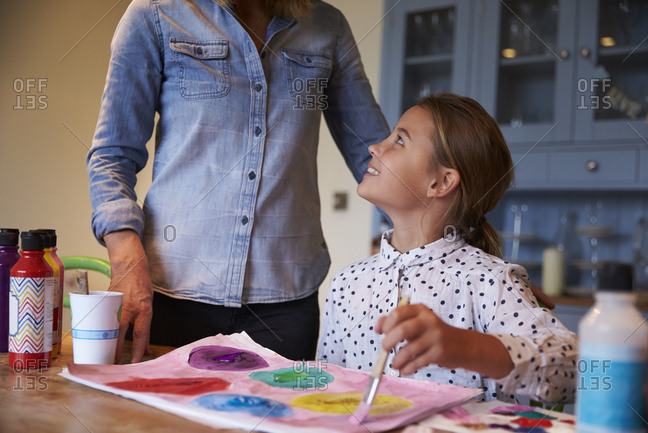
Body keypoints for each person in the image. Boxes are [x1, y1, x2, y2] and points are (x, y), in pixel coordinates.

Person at [87, 0, 389, 363]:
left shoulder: (328, 28)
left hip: (285, 305)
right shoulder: (155, 14)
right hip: (172, 294)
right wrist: (125, 261)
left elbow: (373, 157)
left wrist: (443, 233)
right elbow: (112, 156)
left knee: (276, 420)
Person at [317, 93, 577, 404]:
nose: (374, 146)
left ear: (441, 182)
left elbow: (574, 368)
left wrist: (463, 346)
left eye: (399, 140)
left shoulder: (491, 283)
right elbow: (328, 393)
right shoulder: (346, 284)